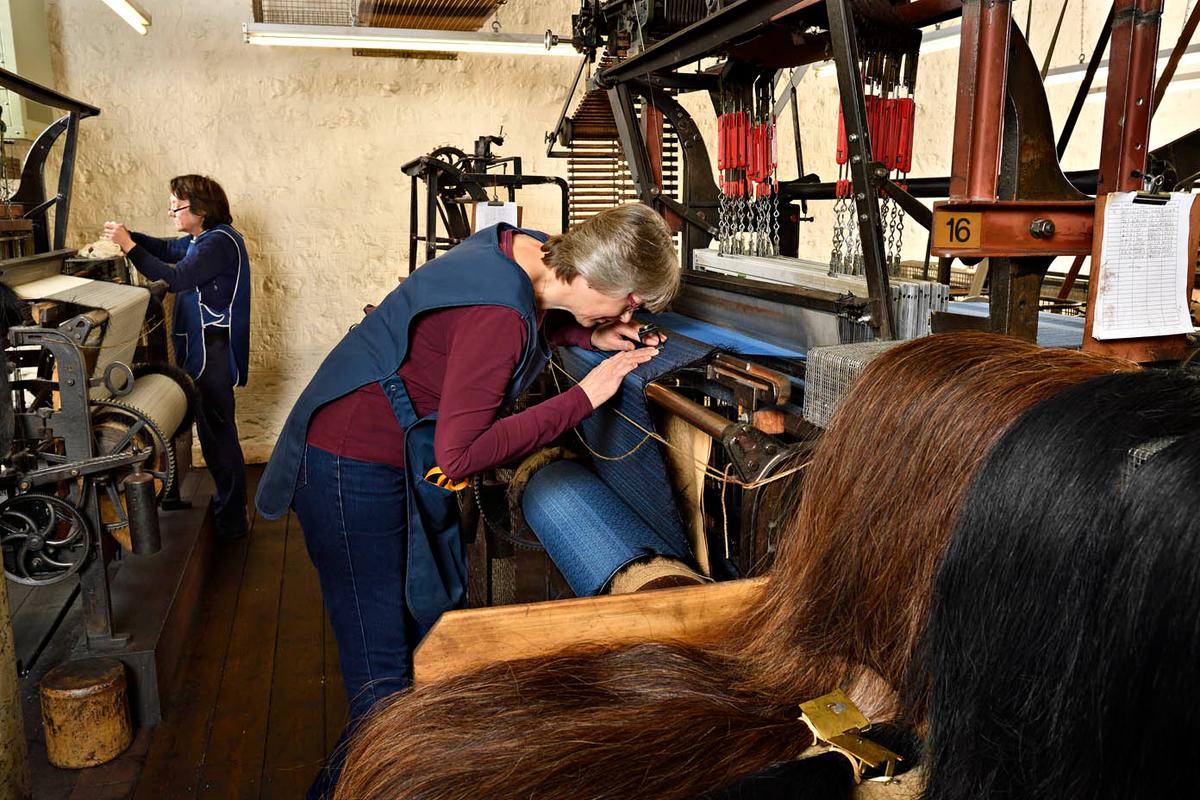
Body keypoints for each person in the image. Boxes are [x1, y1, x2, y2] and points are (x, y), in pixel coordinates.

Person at [253, 203, 680, 798]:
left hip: (368, 445)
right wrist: (586, 394)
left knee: (413, 651)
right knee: (383, 681)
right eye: (629, 302)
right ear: (590, 275)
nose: (630, 313)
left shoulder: (522, 248)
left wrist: (586, 333)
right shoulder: (500, 316)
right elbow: (458, 457)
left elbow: (524, 319)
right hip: (348, 463)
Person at [104, 175, 251, 539]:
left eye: (177, 205)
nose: (171, 211)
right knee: (214, 430)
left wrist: (128, 246)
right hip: (204, 347)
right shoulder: (202, 240)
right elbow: (169, 249)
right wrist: (129, 236)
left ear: (201, 210)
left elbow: (177, 277)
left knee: (218, 433)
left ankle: (232, 520)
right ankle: (228, 510)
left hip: (211, 350)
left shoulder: (218, 243)